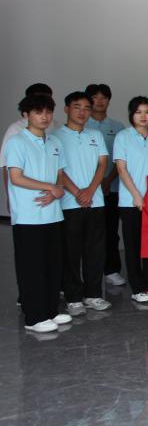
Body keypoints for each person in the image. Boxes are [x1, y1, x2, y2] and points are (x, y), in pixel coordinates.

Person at [6, 93, 73, 333]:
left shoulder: (54, 142)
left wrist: (57, 190)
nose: (44, 117)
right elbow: (16, 177)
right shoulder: (17, 142)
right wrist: (50, 188)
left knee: (52, 265)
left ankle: (51, 310)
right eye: (38, 112)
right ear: (26, 115)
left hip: (53, 214)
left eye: (48, 112)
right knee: (31, 267)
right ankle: (34, 317)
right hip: (28, 215)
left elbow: (59, 175)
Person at [54, 91, 111, 316]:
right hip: (69, 203)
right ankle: (73, 297)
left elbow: (102, 164)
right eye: (77, 107)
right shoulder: (55, 136)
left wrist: (90, 191)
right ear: (66, 109)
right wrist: (78, 192)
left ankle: (93, 294)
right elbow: (58, 170)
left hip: (95, 201)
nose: (82, 112)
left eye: (87, 108)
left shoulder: (95, 135)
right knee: (71, 253)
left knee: (95, 251)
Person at [112, 96, 148, 303]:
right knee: (133, 245)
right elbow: (121, 169)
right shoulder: (123, 137)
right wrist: (136, 195)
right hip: (130, 201)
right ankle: (138, 288)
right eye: (138, 112)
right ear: (131, 115)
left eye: (147, 112)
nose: (143, 116)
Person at [85, 83, 126, 287]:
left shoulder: (118, 127)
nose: (100, 101)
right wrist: (95, 184)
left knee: (110, 231)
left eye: (104, 97)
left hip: (113, 187)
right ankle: (88, 272)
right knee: (88, 233)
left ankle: (111, 270)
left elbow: (122, 159)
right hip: (87, 190)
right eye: (95, 97)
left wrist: (108, 180)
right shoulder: (83, 125)